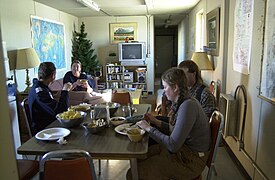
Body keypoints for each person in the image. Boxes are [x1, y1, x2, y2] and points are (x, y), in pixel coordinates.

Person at [127, 67, 211, 179]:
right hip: (183, 151)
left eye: (165, 87)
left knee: (133, 174)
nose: (164, 90)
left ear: (175, 87)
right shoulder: (185, 101)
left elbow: (172, 145)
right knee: (139, 159)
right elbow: (177, 130)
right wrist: (156, 122)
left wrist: (149, 128)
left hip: (190, 161)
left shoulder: (188, 106)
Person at [28, 62, 73, 134]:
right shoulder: (40, 93)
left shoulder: (41, 87)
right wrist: (65, 91)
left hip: (51, 124)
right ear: (53, 75)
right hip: (45, 130)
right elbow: (61, 111)